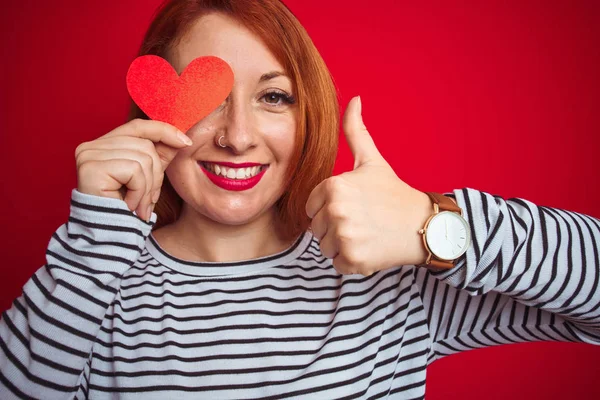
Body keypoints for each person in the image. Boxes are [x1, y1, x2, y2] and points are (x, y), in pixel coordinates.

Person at [1, 0, 598, 399]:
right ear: (154, 113)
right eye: (206, 96)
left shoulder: (390, 283)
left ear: (307, 115)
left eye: (274, 98)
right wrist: (93, 239)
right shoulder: (90, 287)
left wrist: (431, 222)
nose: (237, 136)